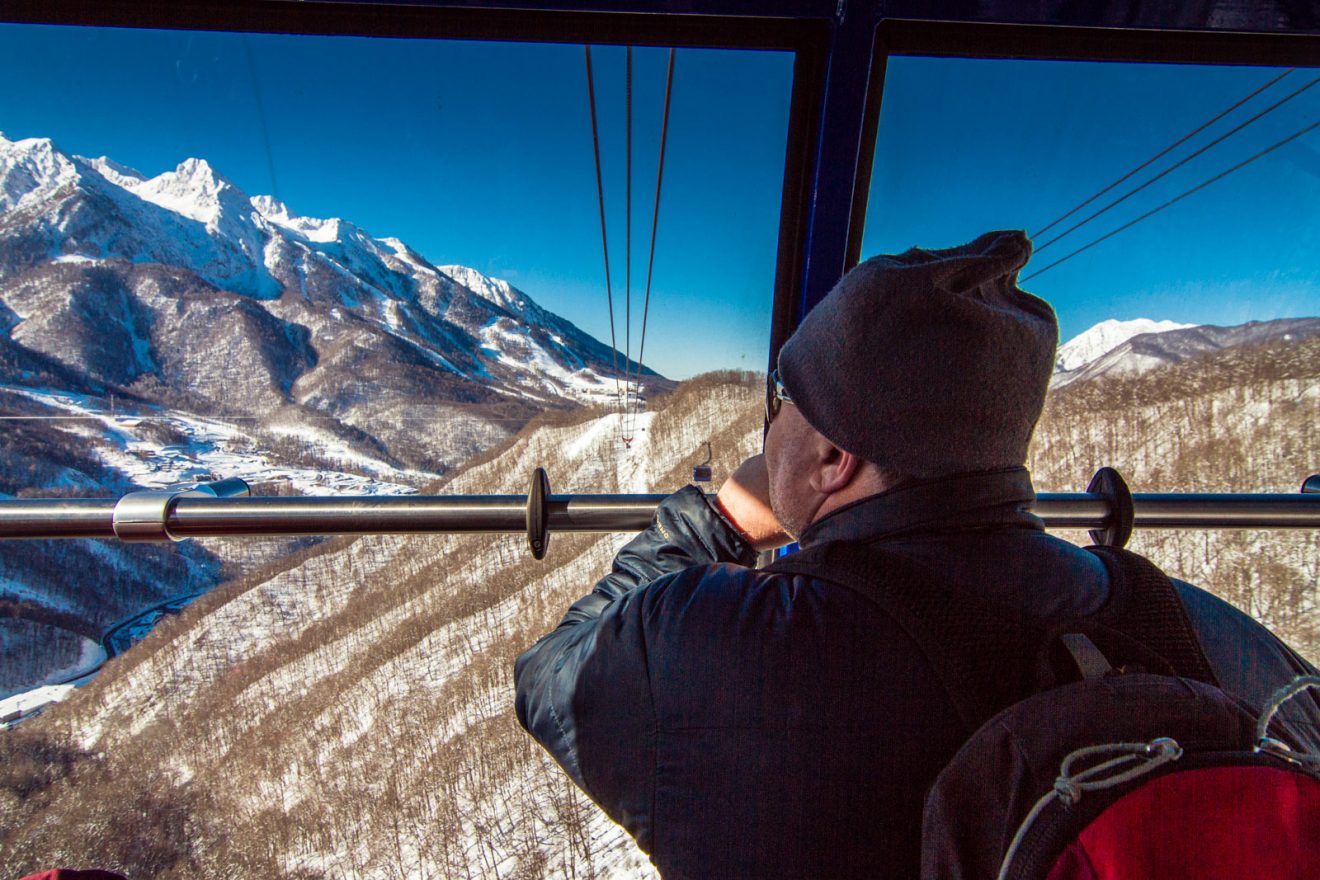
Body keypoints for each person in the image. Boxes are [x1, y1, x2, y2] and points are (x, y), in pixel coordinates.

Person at [514, 229, 1318, 879]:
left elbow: (552, 680)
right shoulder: (1199, 630)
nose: (770, 427)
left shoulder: (720, 643)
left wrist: (718, 518)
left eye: (784, 398)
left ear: (835, 459)